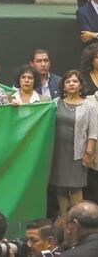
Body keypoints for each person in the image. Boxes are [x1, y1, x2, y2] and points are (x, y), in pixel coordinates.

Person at [54, 71, 93, 216]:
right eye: (68, 81)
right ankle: (64, 221)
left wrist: (89, 152)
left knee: (76, 187)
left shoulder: (89, 106)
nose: (71, 84)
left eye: (75, 81)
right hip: (58, 152)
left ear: (80, 85)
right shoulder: (55, 102)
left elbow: (93, 132)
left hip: (78, 153)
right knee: (61, 188)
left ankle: (78, 221)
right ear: (63, 86)